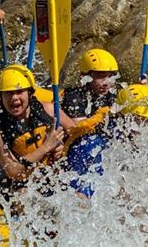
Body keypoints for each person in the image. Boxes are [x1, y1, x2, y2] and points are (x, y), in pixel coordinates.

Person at [0, 64, 75, 191]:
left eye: (19, 92)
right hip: (27, 183)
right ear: (1, 97)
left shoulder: (49, 110)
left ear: (30, 93)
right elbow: (12, 171)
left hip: (57, 176)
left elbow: (78, 136)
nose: (14, 97)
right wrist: (46, 147)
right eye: (8, 93)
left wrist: (63, 147)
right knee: (21, 197)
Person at [61, 49, 119, 198]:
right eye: (100, 76)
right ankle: (81, 192)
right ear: (85, 76)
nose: (106, 82)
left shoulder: (112, 96)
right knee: (91, 143)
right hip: (77, 150)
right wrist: (103, 114)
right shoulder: (74, 97)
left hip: (103, 147)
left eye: (110, 76)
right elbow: (80, 129)